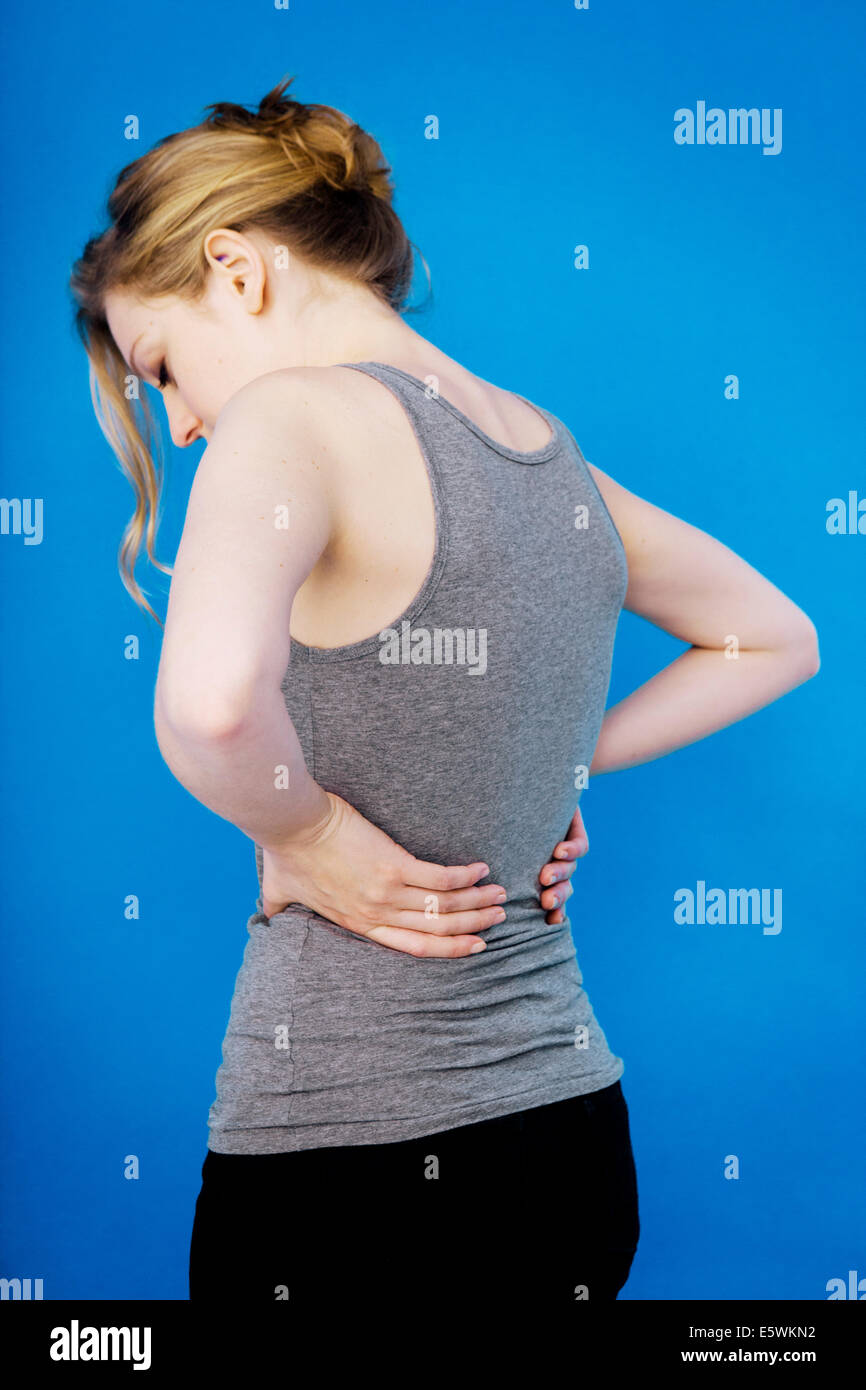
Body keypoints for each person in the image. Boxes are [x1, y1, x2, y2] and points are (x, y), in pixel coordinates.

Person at [69, 76, 820, 1308]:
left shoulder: (287, 420)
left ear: (236, 270)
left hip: (342, 1168)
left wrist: (304, 835)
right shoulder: (546, 452)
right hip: (569, 1138)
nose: (183, 422)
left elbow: (207, 710)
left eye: (160, 363)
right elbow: (771, 636)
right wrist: (560, 757)